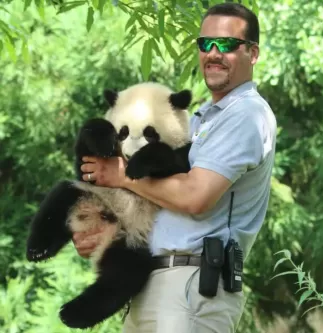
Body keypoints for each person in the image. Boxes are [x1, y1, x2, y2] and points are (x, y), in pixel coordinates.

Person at [73, 3, 277, 333]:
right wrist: (99, 232)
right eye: (205, 43)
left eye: (226, 44)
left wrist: (121, 175)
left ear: (252, 53)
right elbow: (155, 200)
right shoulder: (200, 119)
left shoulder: (246, 115)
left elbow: (196, 196)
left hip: (191, 285)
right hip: (151, 284)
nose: (213, 53)